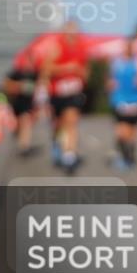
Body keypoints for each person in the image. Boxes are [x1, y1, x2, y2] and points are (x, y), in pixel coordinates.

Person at [38, 21, 88, 174]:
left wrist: (80, 73)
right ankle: (56, 142)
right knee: (58, 125)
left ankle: (69, 156)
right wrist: (66, 68)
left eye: (75, 31)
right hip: (57, 93)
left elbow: (86, 72)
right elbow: (46, 69)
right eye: (69, 30)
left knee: (71, 121)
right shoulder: (56, 47)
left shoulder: (82, 48)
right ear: (64, 32)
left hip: (73, 93)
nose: (72, 34)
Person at [107, 40, 137, 170]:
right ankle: (125, 154)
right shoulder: (116, 62)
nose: (129, 49)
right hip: (119, 99)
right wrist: (110, 85)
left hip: (136, 100)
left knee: (133, 130)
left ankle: (130, 153)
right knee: (121, 131)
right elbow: (109, 80)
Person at [3, 50, 38, 157]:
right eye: (28, 60)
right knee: (18, 125)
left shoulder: (35, 74)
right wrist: (19, 85)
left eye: (31, 61)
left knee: (26, 122)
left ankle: (24, 146)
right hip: (17, 103)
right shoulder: (17, 73)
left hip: (28, 104)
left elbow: (41, 84)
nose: (29, 63)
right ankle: (17, 132)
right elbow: (6, 84)